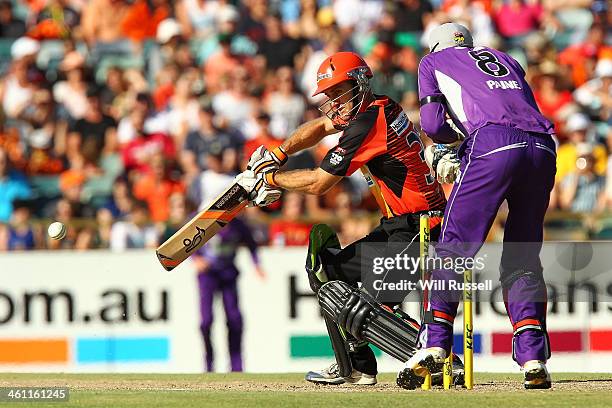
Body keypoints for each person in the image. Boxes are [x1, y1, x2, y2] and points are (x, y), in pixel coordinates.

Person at [240, 51, 461, 386]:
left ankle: (448, 363)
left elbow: (320, 182)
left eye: (337, 92)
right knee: (328, 272)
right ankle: (357, 366)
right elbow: (319, 127)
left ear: (359, 83)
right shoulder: (375, 107)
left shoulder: (369, 123)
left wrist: (270, 180)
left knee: (368, 310)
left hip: (422, 227)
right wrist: (278, 154)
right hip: (397, 225)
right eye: (328, 95)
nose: (332, 103)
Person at [400, 23, 556, 390]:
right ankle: (533, 358)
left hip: (493, 144)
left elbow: (434, 124)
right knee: (522, 257)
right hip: (544, 148)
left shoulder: (431, 61)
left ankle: (435, 344)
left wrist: (451, 147)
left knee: (453, 247)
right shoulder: (506, 58)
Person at [192, 217, 264, 372]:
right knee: (206, 322)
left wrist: (257, 264)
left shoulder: (238, 224)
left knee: (234, 320)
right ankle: (209, 365)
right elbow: (186, 241)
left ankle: (236, 367)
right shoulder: (202, 221)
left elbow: (251, 243)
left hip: (228, 274)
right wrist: (196, 258)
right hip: (207, 276)